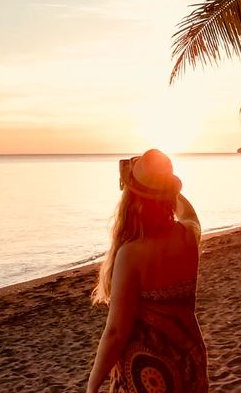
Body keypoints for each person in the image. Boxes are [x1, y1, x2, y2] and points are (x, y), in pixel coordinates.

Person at [88, 149, 208, 393]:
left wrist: (92, 385)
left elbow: (116, 332)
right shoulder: (187, 236)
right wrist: (166, 187)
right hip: (189, 361)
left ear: (132, 198)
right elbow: (190, 214)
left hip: (148, 371)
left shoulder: (131, 254)